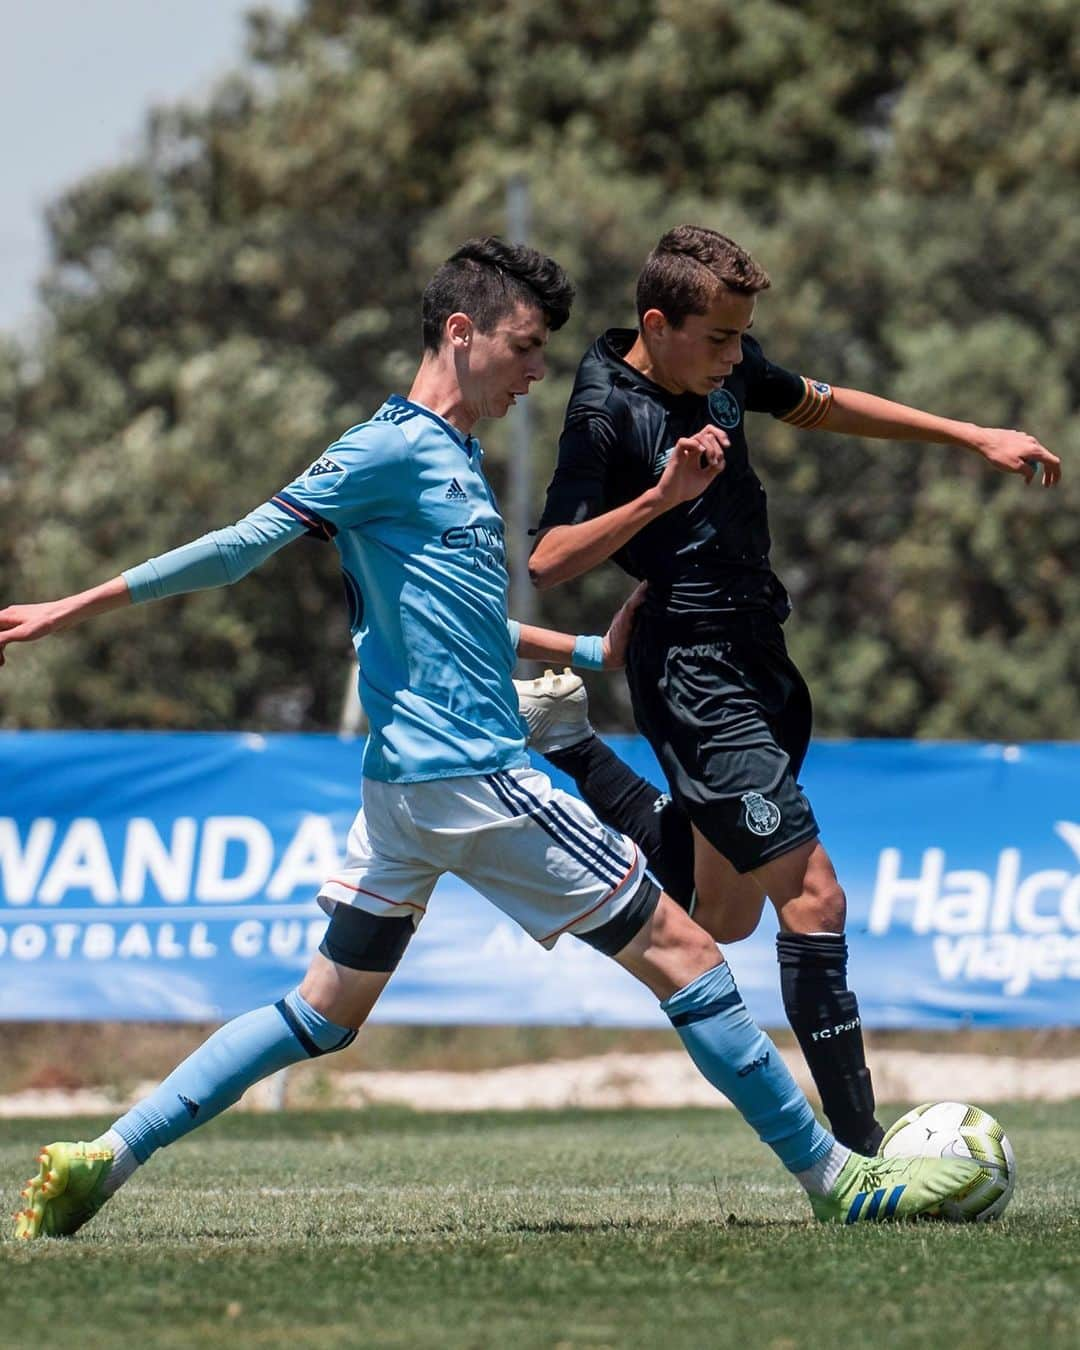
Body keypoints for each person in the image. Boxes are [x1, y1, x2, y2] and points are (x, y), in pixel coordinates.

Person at [3, 237, 977, 1241]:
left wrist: (586, 647)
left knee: (320, 1016)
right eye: (523, 346)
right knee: (692, 955)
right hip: (471, 776)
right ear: (461, 333)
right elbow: (239, 546)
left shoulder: (453, 459)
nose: (538, 370)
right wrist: (69, 608)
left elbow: (462, 615)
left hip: (402, 799)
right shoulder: (386, 450)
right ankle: (838, 1179)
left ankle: (104, 1157)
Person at [523, 224, 1061, 1156]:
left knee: (722, 913)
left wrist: (969, 434)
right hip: (691, 673)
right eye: (722, 339)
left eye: (744, 338)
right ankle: (864, 1156)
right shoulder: (606, 408)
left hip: (762, 654)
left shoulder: (722, 370)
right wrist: (660, 498)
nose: (739, 357)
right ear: (659, 321)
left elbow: (821, 402)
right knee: (815, 898)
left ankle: (570, 746)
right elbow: (548, 559)